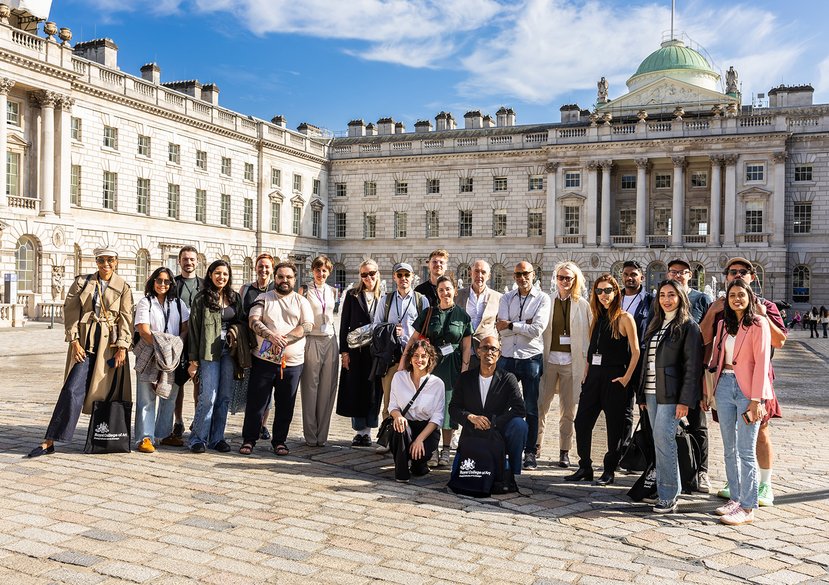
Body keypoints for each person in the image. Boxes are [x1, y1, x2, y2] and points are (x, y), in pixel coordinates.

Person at [28, 247, 133, 457]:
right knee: (72, 389)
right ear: (96, 262)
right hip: (85, 342)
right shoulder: (82, 282)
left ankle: (104, 439)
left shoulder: (123, 287)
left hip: (110, 347)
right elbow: (71, 313)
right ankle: (50, 440)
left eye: (110, 260)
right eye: (101, 260)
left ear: (116, 262)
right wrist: (74, 342)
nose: (106, 264)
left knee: (108, 394)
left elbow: (126, 317)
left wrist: (122, 347)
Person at [699, 257, 787, 506]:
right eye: (732, 271)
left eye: (743, 271)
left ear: (752, 277)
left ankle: (765, 483)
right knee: (730, 438)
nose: (737, 274)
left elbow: (779, 341)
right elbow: (703, 338)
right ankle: (736, 483)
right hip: (725, 380)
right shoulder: (721, 308)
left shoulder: (765, 307)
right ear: (726, 277)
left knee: (759, 433)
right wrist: (713, 311)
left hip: (756, 380)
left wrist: (762, 316)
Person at [703, 279, 771, 525]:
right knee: (729, 449)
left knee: (745, 450)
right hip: (724, 386)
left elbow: (763, 363)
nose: (736, 299)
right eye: (732, 295)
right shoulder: (723, 324)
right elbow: (715, 358)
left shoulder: (758, 323)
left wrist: (757, 399)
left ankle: (748, 505)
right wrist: (708, 391)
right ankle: (735, 497)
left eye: (741, 294)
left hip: (747, 390)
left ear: (749, 296)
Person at [636, 279, 703, 513]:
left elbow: (693, 367)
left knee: (664, 440)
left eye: (671, 295)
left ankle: (668, 494)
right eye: (662, 295)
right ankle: (667, 489)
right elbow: (647, 361)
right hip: (652, 392)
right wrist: (641, 394)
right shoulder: (655, 323)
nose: (666, 299)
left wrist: (685, 400)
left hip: (672, 394)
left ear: (680, 298)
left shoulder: (688, 325)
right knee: (659, 441)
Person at [566, 274, 640, 485]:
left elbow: (635, 352)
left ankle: (609, 469)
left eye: (607, 290)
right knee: (581, 422)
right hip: (593, 378)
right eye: (599, 291)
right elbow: (592, 349)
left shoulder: (625, 318)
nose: (603, 295)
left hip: (615, 377)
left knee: (614, 427)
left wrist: (626, 378)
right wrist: (586, 372)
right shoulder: (597, 316)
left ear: (616, 292)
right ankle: (585, 466)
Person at [241, 261, 313, 456]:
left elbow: (307, 326)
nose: (284, 280)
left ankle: (279, 441)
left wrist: (285, 339)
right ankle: (249, 439)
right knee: (257, 402)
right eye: (280, 276)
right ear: (275, 277)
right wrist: (270, 336)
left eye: (288, 277)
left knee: (285, 404)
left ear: (294, 278)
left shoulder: (301, 301)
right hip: (264, 360)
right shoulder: (264, 298)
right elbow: (253, 320)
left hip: (292, 363)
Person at [401, 275, 472, 467]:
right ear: (437, 293)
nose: (445, 293)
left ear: (455, 291)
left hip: (452, 367)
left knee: (449, 407)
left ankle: (447, 448)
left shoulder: (463, 316)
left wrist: (464, 370)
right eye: (441, 290)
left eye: (448, 289)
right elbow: (413, 339)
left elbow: (466, 347)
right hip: (430, 365)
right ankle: (430, 447)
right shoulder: (429, 313)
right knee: (429, 406)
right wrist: (403, 363)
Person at [495, 261, 551, 470]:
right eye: (518, 274)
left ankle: (530, 452)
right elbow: (500, 329)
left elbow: (537, 329)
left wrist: (511, 325)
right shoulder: (506, 297)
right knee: (500, 404)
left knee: (531, 407)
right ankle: (501, 445)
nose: (521, 277)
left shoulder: (543, 298)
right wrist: (519, 326)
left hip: (530, 357)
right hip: (508, 356)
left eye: (525, 273)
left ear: (533, 274)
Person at [449, 334, 528, 478]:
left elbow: (519, 409)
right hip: (472, 430)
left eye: (493, 349)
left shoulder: (508, 378)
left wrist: (493, 422)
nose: (489, 352)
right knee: (458, 476)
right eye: (485, 348)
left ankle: (514, 473)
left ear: (499, 354)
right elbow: (453, 408)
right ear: (478, 352)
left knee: (520, 425)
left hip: (498, 430)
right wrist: (470, 417)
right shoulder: (465, 378)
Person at [666, 258, 712, 492]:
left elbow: (710, 338)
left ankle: (701, 471)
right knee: (664, 424)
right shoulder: (663, 300)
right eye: (673, 272)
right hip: (667, 374)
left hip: (693, 372)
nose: (678, 276)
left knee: (697, 424)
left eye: (682, 272)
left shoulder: (702, 299)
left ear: (690, 275)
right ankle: (668, 468)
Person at [186, 259, 242, 453]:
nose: (222, 277)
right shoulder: (201, 298)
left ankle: (217, 438)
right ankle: (197, 438)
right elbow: (193, 330)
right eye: (218, 273)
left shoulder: (234, 297)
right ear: (210, 274)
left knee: (224, 397)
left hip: (229, 352)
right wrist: (193, 361)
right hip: (208, 352)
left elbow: (241, 322)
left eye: (225, 274)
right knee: (208, 395)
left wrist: (235, 332)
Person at [539, 261, 591, 468]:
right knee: (540, 405)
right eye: (560, 277)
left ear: (575, 280)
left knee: (568, 410)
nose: (564, 281)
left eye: (568, 278)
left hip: (572, 362)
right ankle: (535, 447)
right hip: (548, 360)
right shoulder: (547, 300)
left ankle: (564, 451)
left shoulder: (583, 304)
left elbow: (588, 335)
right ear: (555, 279)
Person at [133, 267, 189, 453]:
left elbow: (185, 327)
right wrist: (163, 347)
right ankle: (145, 437)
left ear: (172, 283)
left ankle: (163, 434)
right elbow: (143, 330)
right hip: (150, 354)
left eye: (166, 281)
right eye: (159, 280)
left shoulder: (179, 304)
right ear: (152, 282)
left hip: (172, 356)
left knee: (169, 396)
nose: (162, 284)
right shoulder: (145, 302)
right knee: (146, 396)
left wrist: (175, 345)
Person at [372, 261, 428, 425]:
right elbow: (376, 326)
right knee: (389, 399)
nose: (403, 278)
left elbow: (426, 329)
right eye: (400, 275)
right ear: (394, 278)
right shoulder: (386, 300)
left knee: (414, 399)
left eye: (407, 275)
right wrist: (390, 329)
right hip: (392, 357)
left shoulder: (421, 300)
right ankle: (388, 439)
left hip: (414, 358)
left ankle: (410, 438)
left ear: (412, 277)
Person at [337, 259, 382, 447]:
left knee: (373, 391)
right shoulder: (352, 295)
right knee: (356, 388)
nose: (368, 278)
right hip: (356, 351)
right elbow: (344, 324)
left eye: (371, 273)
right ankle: (358, 431)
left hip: (375, 352)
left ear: (377, 274)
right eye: (364, 274)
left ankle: (369, 431)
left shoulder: (384, 296)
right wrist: (344, 352)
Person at [388, 340, 445, 482]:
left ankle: (419, 464)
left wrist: (419, 440)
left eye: (423, 356)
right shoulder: (399, 377)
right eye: (415, 355)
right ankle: (401, 473)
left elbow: (437, 418)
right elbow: (392, 406)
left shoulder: (437, 384)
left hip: (426, 430)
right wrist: (398, 416)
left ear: (430, 359)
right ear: (410, 358)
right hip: (406, 425)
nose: (419, 360)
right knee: (399, 427)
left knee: (419, 469)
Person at [300, 255, 340, 447]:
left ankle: (322, 435)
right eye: (317, 269)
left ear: (329, 272)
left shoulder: (333, 291)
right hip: (312, 339)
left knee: (327, 388)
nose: (321, 273)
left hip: (330, 339)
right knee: (310, 387)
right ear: (312, 271)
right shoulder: (305, 290)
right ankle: (310, 434)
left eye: (324, 270)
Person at [165, 245, 203, 447]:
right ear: (179, 262)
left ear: (198, 262)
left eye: (192, 259)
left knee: (199, 382)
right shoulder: (173, 284)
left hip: (199, 341)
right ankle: (178, 420)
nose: (188, 262)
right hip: (178, 340)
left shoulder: (204, 285)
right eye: (185, 259)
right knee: (177, 383)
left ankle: (197, 421)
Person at [618, 260, 654, 461]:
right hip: (620, 361)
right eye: (626, 274)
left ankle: (644, 454)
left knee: (645, 407)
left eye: (634, 274)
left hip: (642, 362)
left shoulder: (651, 301)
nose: (629, 278)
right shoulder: (616, 298)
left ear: (642, 277)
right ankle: (623, 452)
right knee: (623, 410)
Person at [239, 253, 276, 440]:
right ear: (255, 268)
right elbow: (239, 314)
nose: (264, 270)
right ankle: (252, 422)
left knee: (266, 387)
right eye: (260, 266)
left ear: (272, 268)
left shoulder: (276, 288)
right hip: (249, 344)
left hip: (269, 345)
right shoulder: (246, 289)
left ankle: (263, 424)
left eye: (267, 266)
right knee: (251, 386)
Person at [456, 259, 502, 370]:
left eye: (483, 272)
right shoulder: (458, 295)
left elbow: (501, 325)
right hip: (462, 350)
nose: (479, 275)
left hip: (486, 352)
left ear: (489, 276)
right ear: (471, 273)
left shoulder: (498, 297)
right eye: (476, 271)